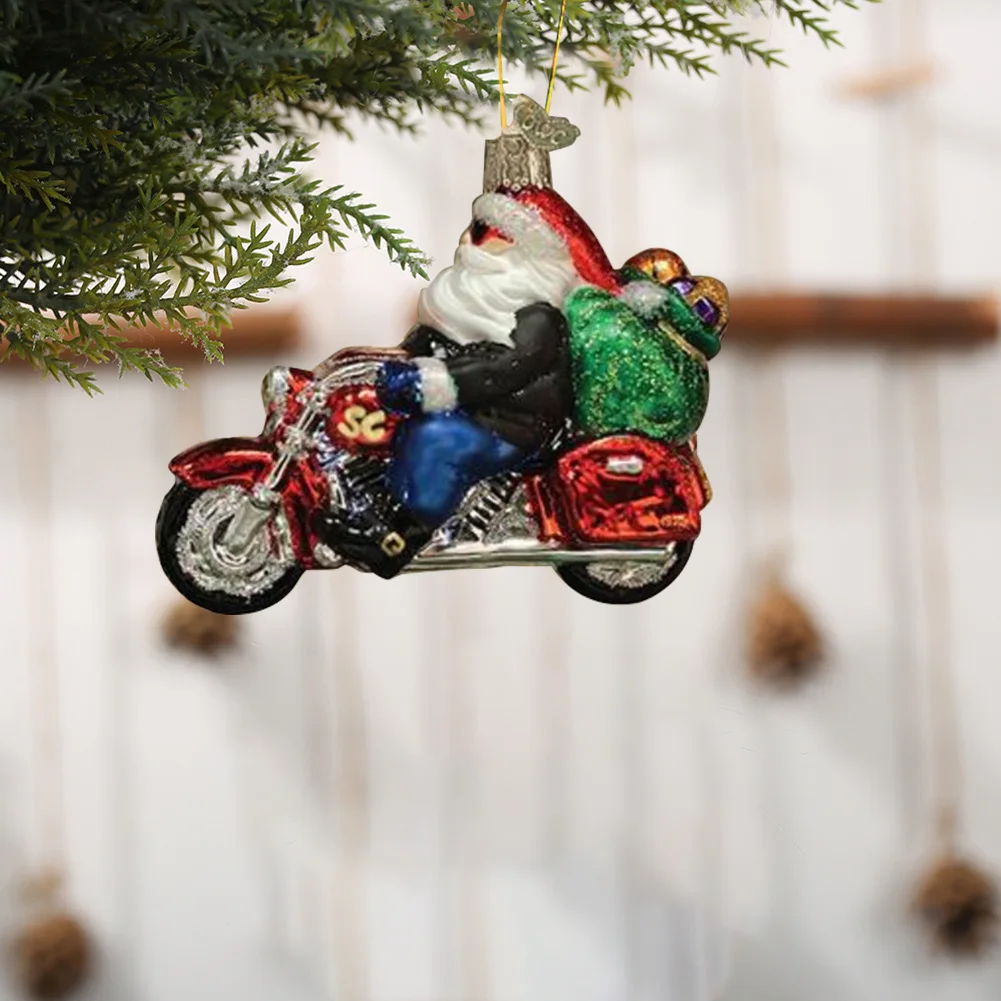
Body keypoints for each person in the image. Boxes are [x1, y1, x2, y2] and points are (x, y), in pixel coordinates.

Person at [313, 183, 621, 578]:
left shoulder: (537, 316)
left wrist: (433, 382)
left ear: (525, 250)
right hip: (481, 409)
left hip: (514, 424)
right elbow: (434, 344)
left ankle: (398, 540)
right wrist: (383, 363)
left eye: (482, 232)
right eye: (472, 229)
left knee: (436, 439)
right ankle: (377, 503)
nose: (465, 242)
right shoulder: (475, 302)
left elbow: (503, 368)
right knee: (390, 424)